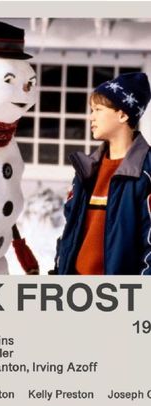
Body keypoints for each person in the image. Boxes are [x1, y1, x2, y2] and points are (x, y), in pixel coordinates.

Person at [51, 72, 151, 275]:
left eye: (98, 109)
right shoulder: (86, 170)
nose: (91, 117)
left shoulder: (146, 172)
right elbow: (70, 230)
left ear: (123, 115)